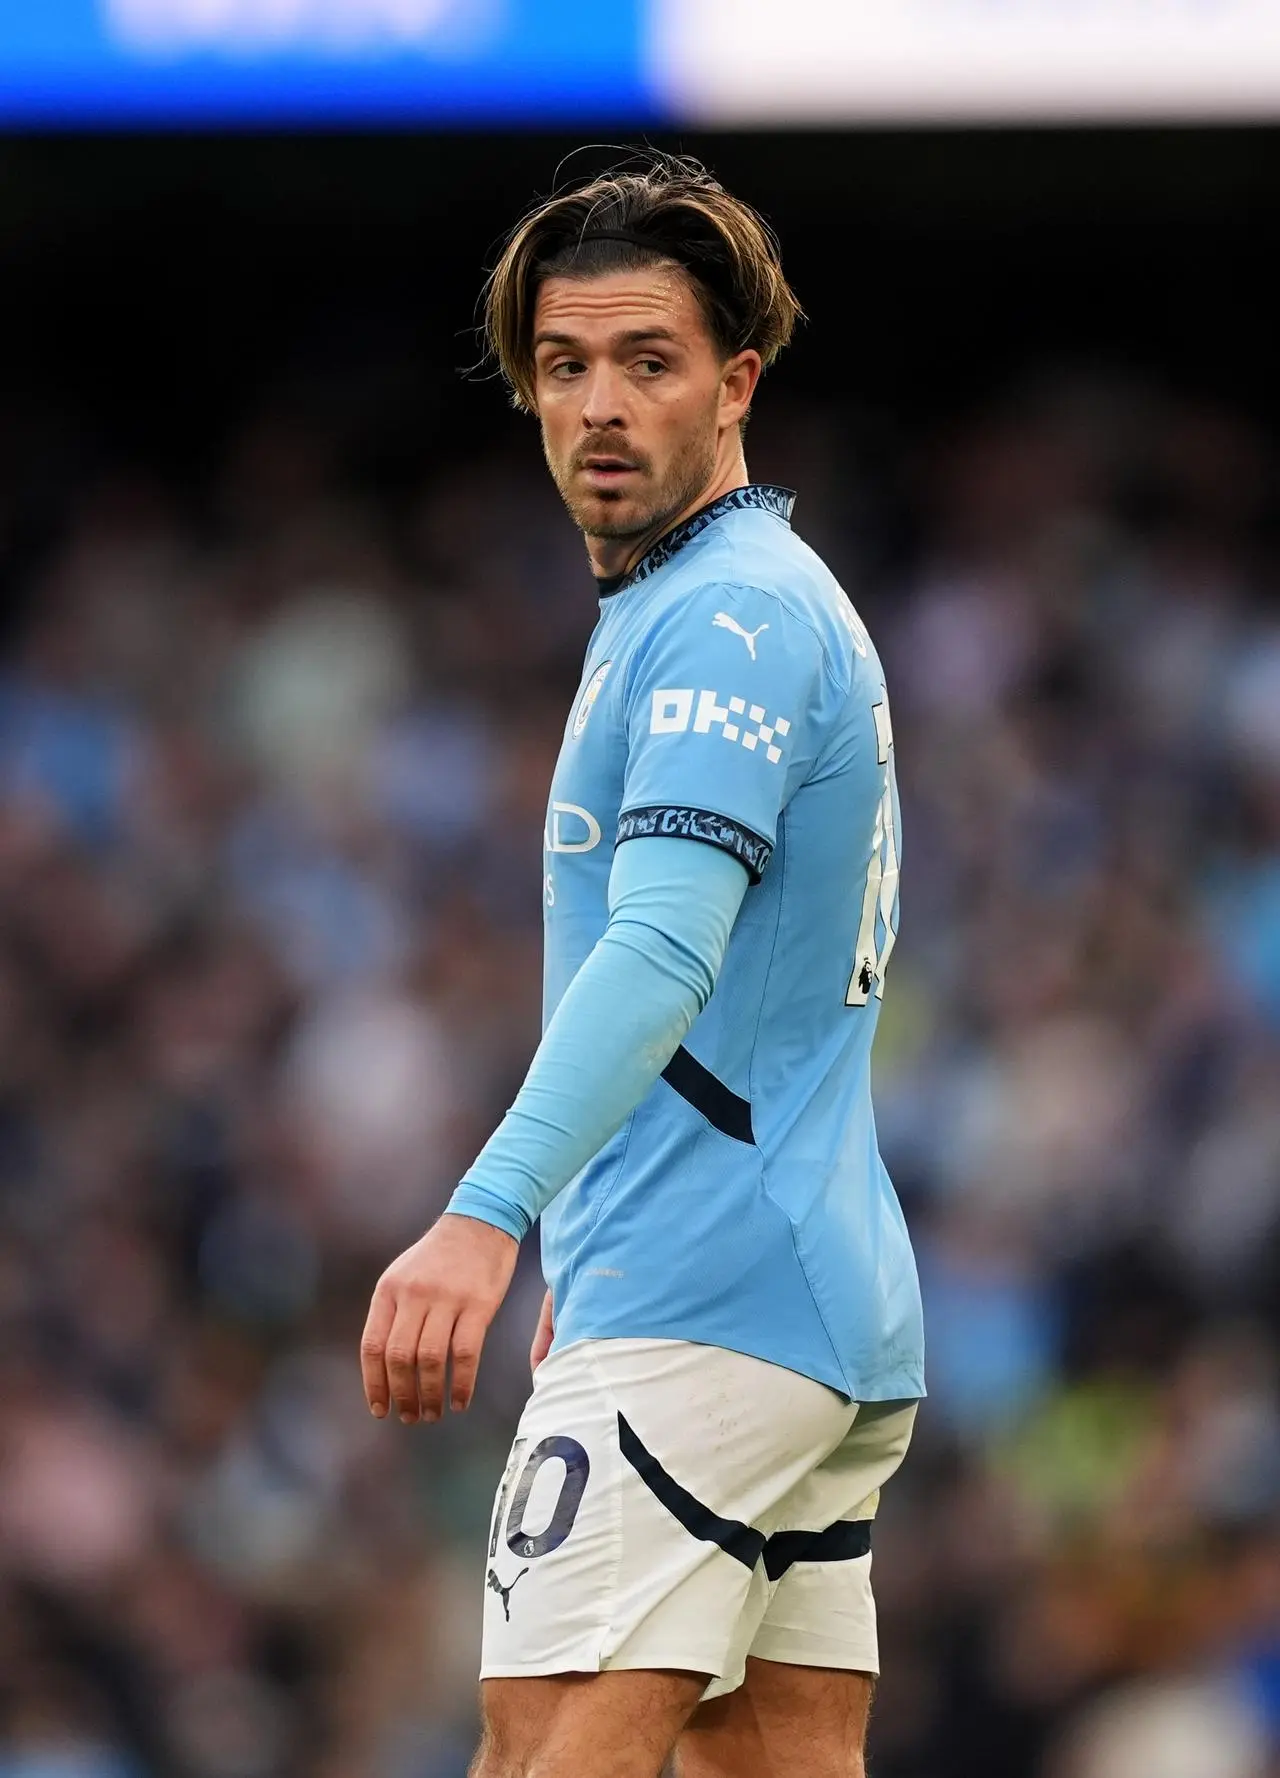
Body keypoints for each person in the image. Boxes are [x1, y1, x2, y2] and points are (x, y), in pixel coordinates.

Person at [359, 151, 925, 1778]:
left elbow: (666, 944)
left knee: (538, 1756)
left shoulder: (723, 620)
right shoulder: (728, 600)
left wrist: (487, 1218)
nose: (599, 405)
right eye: (564, 366)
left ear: (737, 382)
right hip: (796, 1298)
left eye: (647, 362)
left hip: (706, 1300)